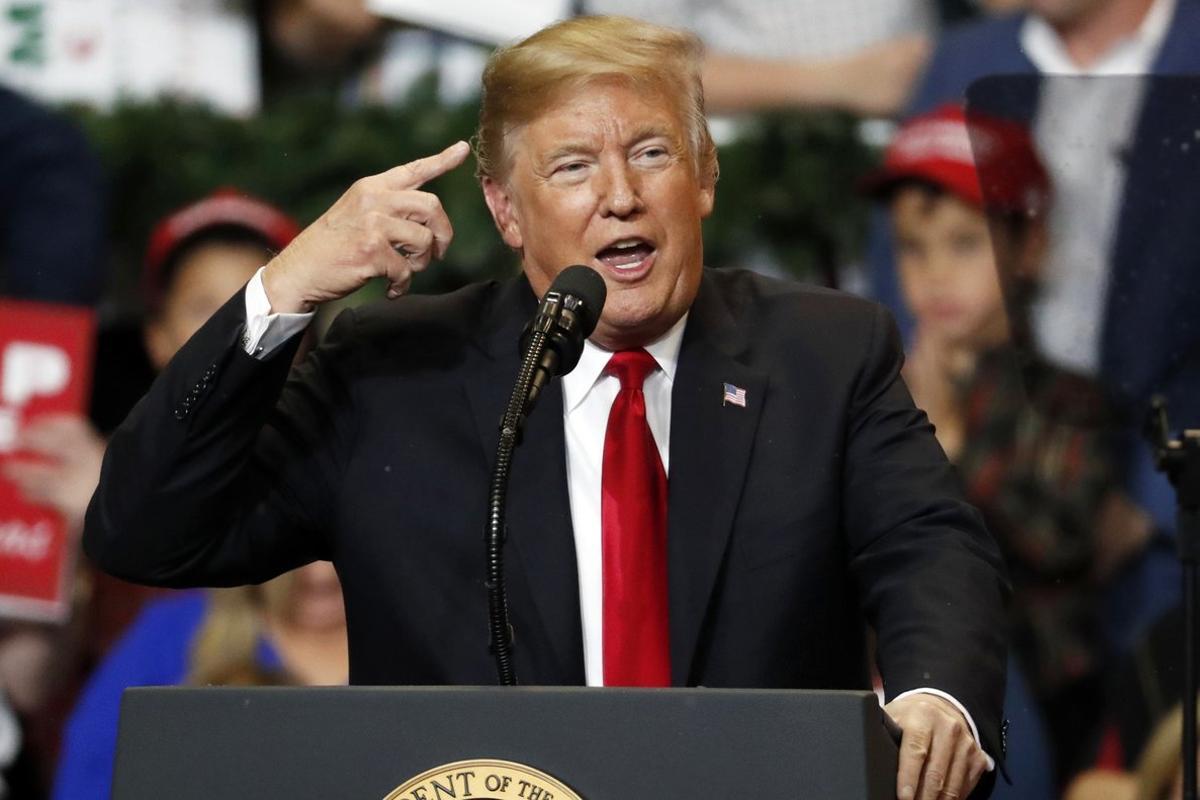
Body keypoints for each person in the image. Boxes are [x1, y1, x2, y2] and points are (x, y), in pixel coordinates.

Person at [84, 16, 1009, 800]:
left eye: (651, 153)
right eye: (572, 166)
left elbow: (930, 544)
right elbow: (145, 531)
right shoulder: (392, 377)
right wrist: (283, 291)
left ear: (705, 177)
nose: (619, 195)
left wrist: (938, 697)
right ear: (506, 209)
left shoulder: (821, 352)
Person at [865, 103, 1154, 785]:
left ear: (1029, 247)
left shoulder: (1069, 400)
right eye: (913, 246)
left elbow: (1058, 542)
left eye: (965, 244)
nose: (935, 273)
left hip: (1040, 700)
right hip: (894, 684)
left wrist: (950, 438)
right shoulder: (876, 390)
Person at [50, 561, 346, 800]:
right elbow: (91, 772)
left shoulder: (392, 641)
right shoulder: (173, 633)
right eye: (307, 547)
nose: (319, 573)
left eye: (338, 545)